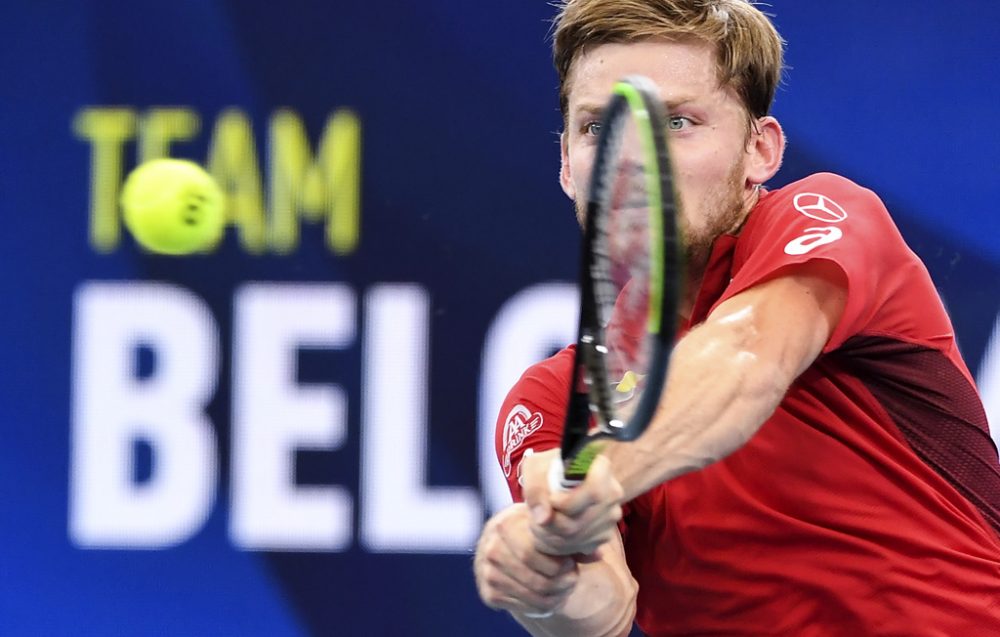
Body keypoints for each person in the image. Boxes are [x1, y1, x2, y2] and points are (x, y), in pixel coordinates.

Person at [472, 1, 1000, 635]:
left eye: (676, 121)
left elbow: (746, 357)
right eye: (596, 129)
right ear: (566, 165)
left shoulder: (825, 213)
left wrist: (597, 476)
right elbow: (604, 610)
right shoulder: (550, 399)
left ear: (760, 149)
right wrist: (543, 579)